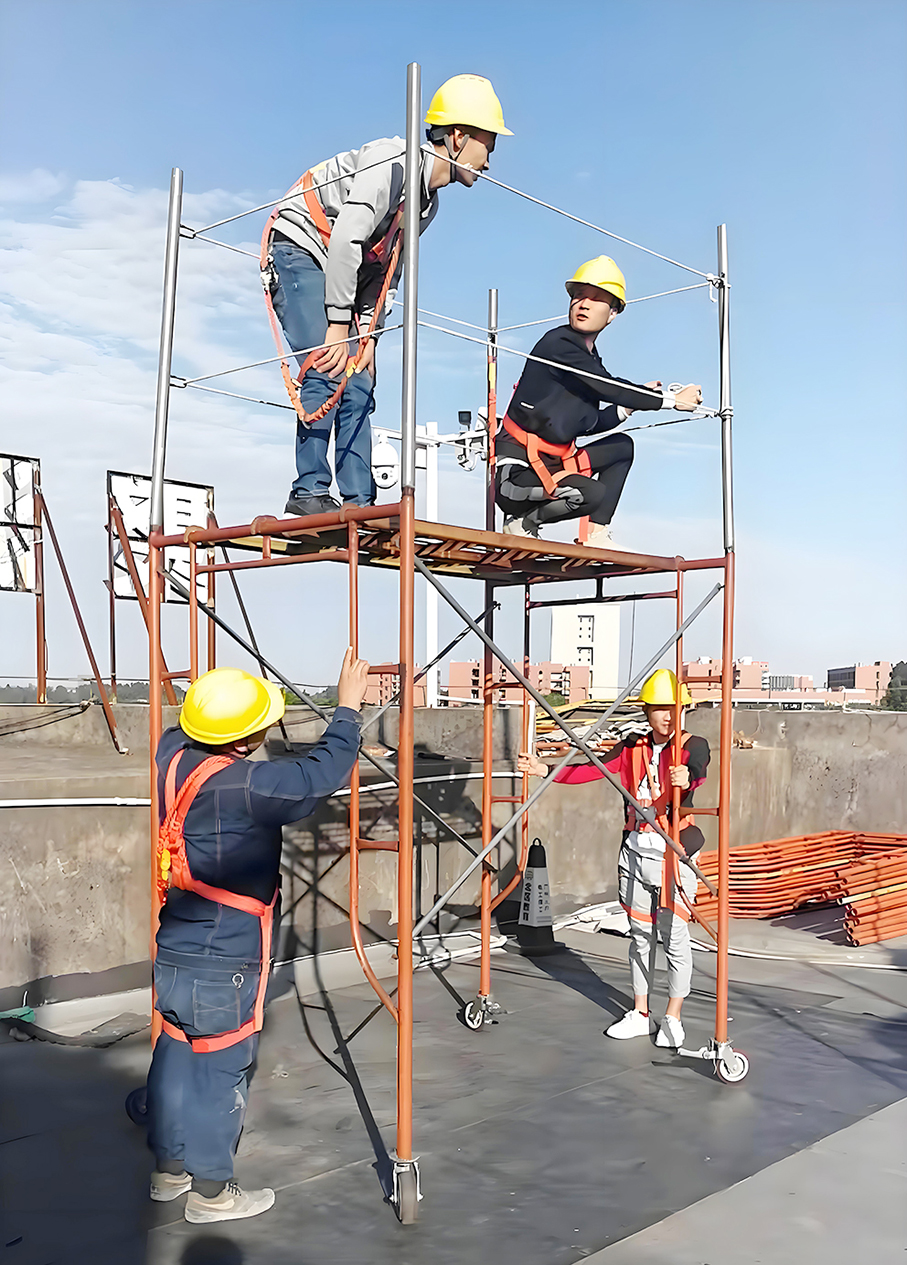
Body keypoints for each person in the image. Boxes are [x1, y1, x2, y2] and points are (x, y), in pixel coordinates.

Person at [146, 650, 368, 1223]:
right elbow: (319, 774)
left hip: (175, 946)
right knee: (221, 1068)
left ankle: (168, 1171)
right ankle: (213, 1193)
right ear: (248, 739)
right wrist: (347, 709)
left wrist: (217, 709)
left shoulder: (170, 756)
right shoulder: (250, 787)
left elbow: (187, 728)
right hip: (227, 954)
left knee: (173, 1052)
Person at [261, 74, 512, 518]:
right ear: (457, 136)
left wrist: (369, 334)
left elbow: (385, 269)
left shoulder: (426, 203)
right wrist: (340, 324)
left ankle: (360, 502)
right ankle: (309, 491)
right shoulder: (391, 163)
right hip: (300, 246)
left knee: (359, 376)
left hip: (347, 270)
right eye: (487, 145)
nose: (489, 161)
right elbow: (346, 239)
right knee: (328, 362)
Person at [518, 669, 709, 1049]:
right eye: (660, 709)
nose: (669, 716)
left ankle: (672, 1016)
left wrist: (685, 778)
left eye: (675, 708)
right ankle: (640, 1012)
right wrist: (545, 770)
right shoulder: (631, 746)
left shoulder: (692, 745)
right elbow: (591, 767)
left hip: (675, 850)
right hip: (636, 850)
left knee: (674, 936)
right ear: (647, 711)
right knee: (639, 936)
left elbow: (697, 771)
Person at [495, 256, 702, 549]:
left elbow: (585, 423)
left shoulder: (588, 358)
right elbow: (608, 385)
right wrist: (669, 400)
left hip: (554, 468)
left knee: (621, 447)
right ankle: (523, 523)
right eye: (578, 296)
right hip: (516, 479)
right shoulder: (558, 345)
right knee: (591, 493)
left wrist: (627, 407)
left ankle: (596, 533)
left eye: (596, 299)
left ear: (613, 312)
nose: (583, 304)